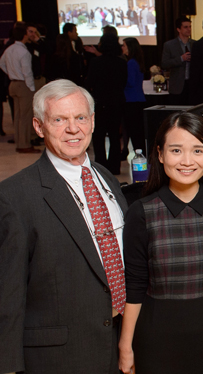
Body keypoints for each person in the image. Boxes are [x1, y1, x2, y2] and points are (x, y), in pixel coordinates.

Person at [0, 80, 127, 373]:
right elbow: (8, 293)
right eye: (59, 120)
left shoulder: (106, 178)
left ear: (92, 122)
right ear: (39, 126)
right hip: (58, 358)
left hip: (119, 344)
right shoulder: (14, 197)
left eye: (80, 118)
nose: (73, 129)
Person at [118, 112, 203, 374]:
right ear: (161, 154)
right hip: (156, 341)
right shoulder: (141, 212)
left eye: (197, 150)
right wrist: (125, 345)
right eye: (176, 150)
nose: (187, 161)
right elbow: (135, 284)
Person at [85, 33, 127, 175]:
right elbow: (123, 82)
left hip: (100, 103)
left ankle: (100, 165)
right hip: (116, 103)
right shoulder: (121, 63)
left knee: (99, 135)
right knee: (115, 135)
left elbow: (89, 82)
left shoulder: (96, 62)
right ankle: (115, 167)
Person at [0, 24, 39, 153]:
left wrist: (11, 74)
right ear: (24, 35)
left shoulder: (10, 49)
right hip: (23, 85)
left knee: (17, 115)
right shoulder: (23, 51)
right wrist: (31, 88)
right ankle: (24, 144)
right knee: (25, 116)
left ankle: (19, 141)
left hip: (13, 83)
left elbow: (2, 63)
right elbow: (27, 72)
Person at [121, 37, 146, 155]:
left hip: (131, 99)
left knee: (134, 130)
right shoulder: (137, 61)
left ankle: (139, 155)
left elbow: (130, 82)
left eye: (124, 45)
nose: (122, 48)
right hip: (139, 98)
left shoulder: (130, 63)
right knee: (138, 130)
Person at [161, 17, 195, 103]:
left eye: (190, 27)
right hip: (177, 86)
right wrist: (181, 59)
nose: (189, 29)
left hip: (192, 85)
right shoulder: (169, 45)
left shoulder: (195, 44)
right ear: (178, 29)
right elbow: (164, 63)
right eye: (185, 27)